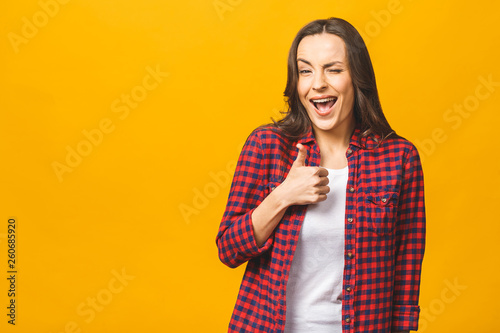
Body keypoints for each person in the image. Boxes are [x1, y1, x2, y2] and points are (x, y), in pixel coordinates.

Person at [216, 17, 425, 333]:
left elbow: (406, 273)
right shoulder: (267, 146)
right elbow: (229, 249)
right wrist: (283, 195)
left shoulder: (399, 158)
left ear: (358, 78)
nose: (318, 83)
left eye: (334, 69)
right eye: (305, 70)